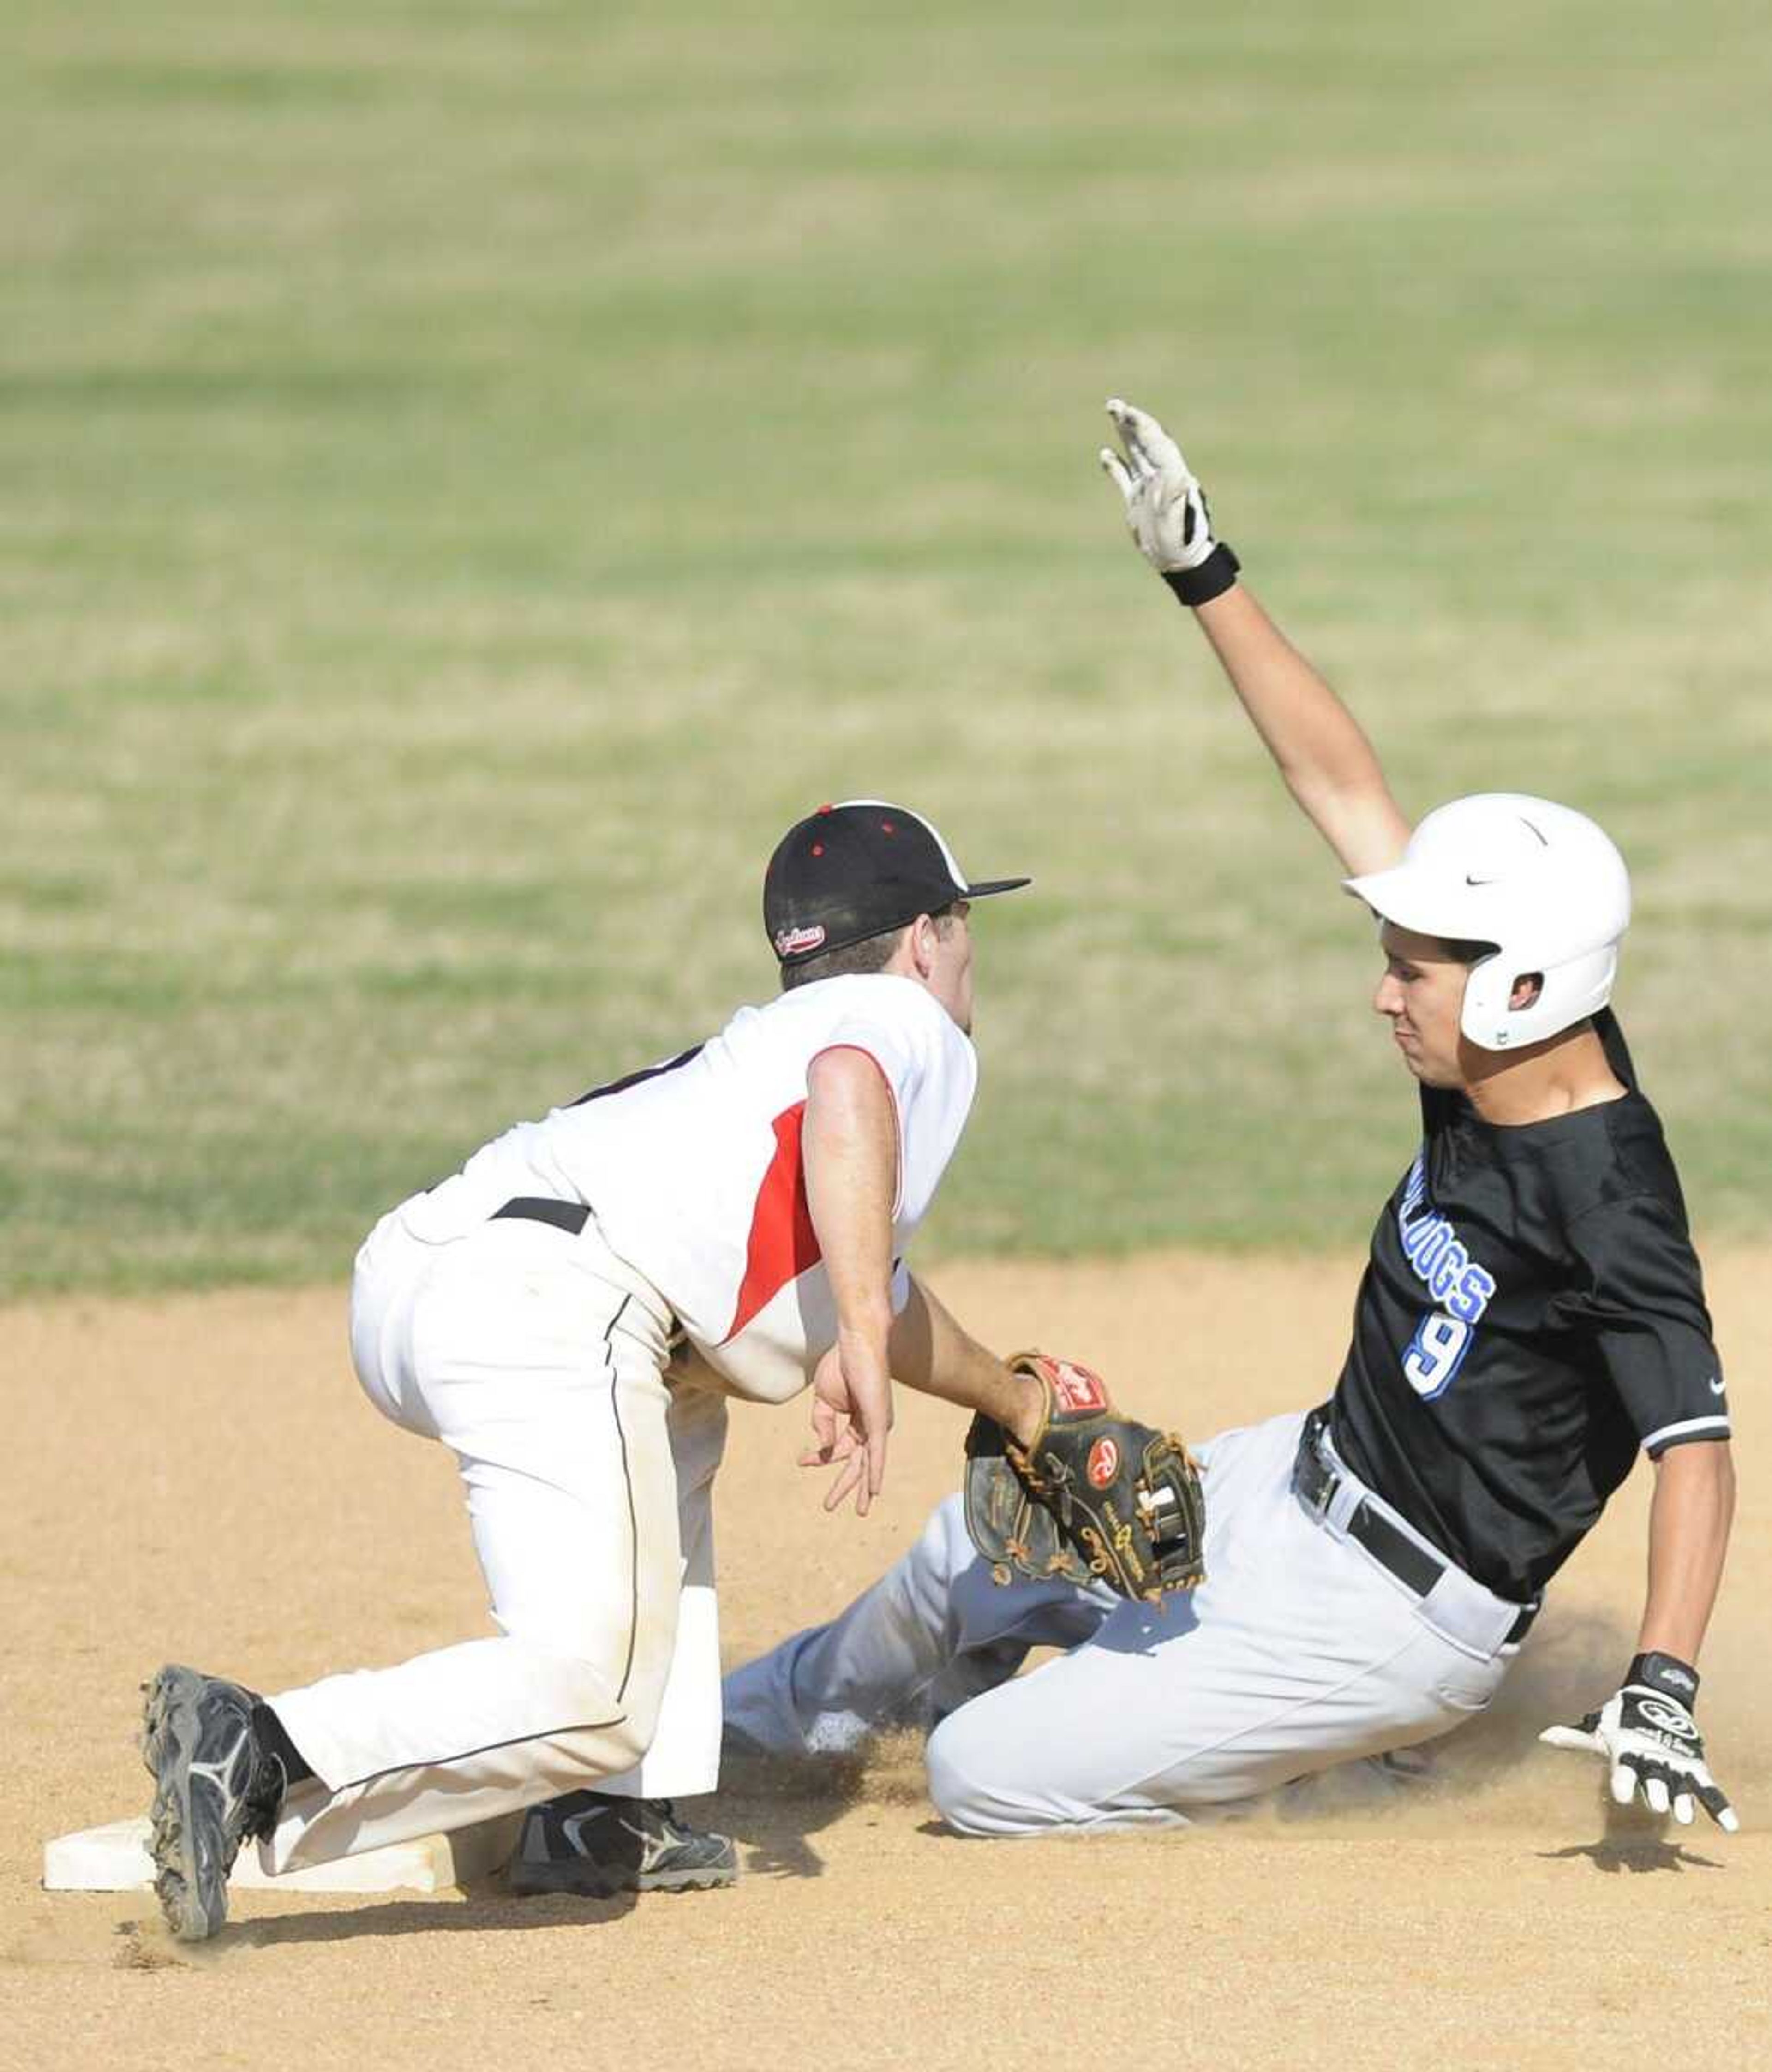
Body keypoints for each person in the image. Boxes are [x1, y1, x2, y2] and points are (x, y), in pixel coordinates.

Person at [721, 402, 1739, 1839]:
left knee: (983, 1772)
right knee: (976, 1541)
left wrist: (1667, 1675)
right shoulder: (1498, 1039)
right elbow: (1339, 781)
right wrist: (1205, 572)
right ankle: (744, 1732)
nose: (1385, 993)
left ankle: (1300, 1761)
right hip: (1289, 1474)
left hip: (1394, 1620)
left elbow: (1695, 1443)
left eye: (1412, 970)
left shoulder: (1611, 1192)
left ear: (1516, 989)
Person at [141, 800, 1056, 1939]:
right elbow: (852, 1092)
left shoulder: (763, 1072)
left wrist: (1014, 1399)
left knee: (678, 1406)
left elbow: (880, 1275)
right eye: (966, 925)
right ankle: (261, 1745)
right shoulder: (894, 1021)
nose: (970, 955)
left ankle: (604, 1814)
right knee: (594, 1684)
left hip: (445, 1275)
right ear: (926, 936)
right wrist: (860, 1332)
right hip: (554, 1302)